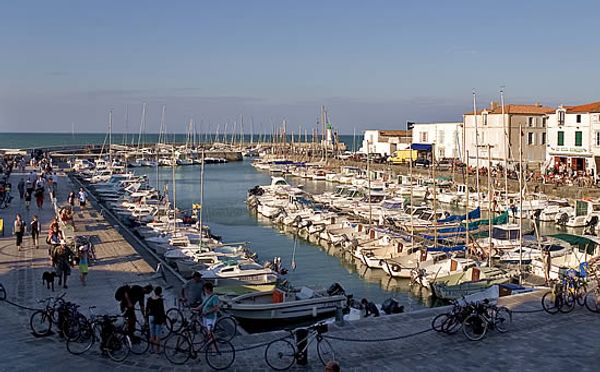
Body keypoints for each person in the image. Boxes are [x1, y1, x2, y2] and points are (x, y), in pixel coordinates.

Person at [146, 286, 166, 354]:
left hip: (151, 317)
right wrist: (164, 320)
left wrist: (146, 318)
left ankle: (151, 349)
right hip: (158, 318)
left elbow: (147, 309)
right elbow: (162, 311)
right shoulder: (160, 300)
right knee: (157, 335)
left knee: (152, 334)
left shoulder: (149, 299)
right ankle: (157, 350)